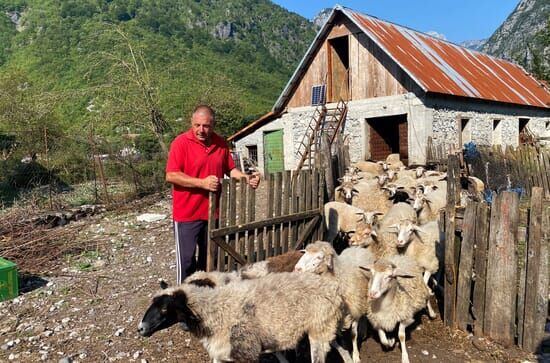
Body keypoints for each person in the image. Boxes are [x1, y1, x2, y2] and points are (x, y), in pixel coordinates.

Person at [165, 104, 260, 283]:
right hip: (187, 214)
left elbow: (230, 170)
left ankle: (203, 296)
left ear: (213, 125)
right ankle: (183, 296)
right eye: (197, 125)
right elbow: (171, 175)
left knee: (209, 259)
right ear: (191, 123)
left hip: (212, 213)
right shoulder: (180, 143)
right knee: (186, 261)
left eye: (206, 126)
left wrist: (246, 178)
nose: (201, 130)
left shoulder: (220, 143)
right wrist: (202, 183)